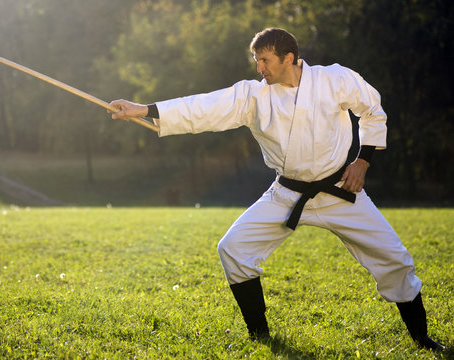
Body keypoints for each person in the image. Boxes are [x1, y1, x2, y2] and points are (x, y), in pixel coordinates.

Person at [109, 28, 444, 351]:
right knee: (233, 249)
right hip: (286, 194)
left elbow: (372, 110)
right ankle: (260, 335)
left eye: (265, 60)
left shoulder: (334, 79)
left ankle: (421, 337)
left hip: (340, 191)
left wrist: (362, 162)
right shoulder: (254, 96)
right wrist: (145, 109)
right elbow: (205, 107)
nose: (259, 68)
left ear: (289, 57)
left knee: (395, 259)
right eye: (256, 61)